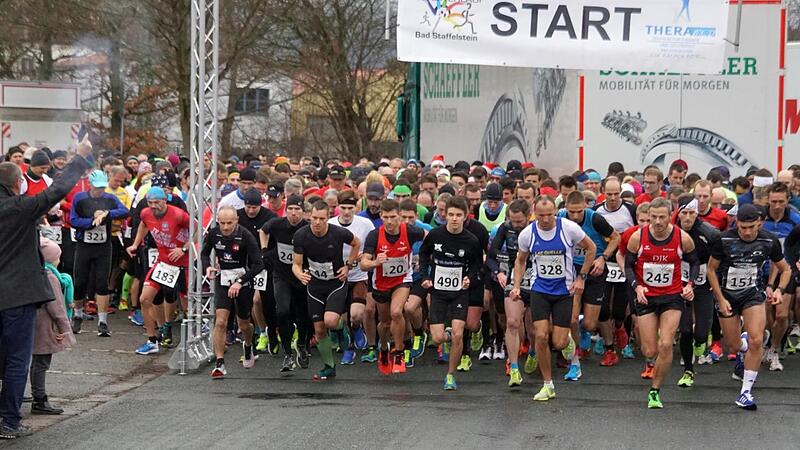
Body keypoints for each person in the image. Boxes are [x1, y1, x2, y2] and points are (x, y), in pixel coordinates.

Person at [0, 137, 92, 439]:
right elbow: (57, 190)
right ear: (17, 185)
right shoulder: (19, 207)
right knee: (16, 360)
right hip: (17, 296)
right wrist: (79, 157)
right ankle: (9, 421)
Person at [510, 195, 595, 400]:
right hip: (539, 290)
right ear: (534, 213)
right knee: (540, 335)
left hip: (564, 292)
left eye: (549, 215)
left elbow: (591, 248)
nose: (546, 219)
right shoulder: (528, 233)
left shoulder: (568, 228)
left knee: (558, 342)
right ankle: (548, 384)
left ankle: (568, 342)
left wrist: (581, 277)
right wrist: (516, 286)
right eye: (541, 215)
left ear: (555, 212)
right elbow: (520, 261)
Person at [707, 204, 791, 410]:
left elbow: (785, 269)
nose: (746, 231)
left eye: (751, 227)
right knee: (734, 346)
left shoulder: (768, 240)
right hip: (727, 296)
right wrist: (720, 298)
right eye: (742, 227)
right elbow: (710, 270)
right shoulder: (724, 239)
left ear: (759, 223)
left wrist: (778, 289)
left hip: (753, 294)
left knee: (756, 340)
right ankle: (742, 344)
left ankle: (745, 392)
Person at [624, 198, 698, 409]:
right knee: (649, 350)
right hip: (646, 297)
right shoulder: (637, 237)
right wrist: (636, 286)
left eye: (662, 217)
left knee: (665, 344)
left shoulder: (682, 238)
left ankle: (655, 391)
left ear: (670, 216)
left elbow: (694, 262)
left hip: (672, 296)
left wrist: (689, 285)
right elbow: (628, 266)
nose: (657, 221)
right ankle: (654, 359)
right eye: (653, 217)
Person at [292, 201, 361, 381]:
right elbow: (296, 264)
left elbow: (356, 243)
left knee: (330, 321)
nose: (317, 222)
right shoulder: (301, 235)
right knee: (320, 330)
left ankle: (340, 328)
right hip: (315, 285)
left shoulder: (338, 233)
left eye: (321, 219)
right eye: (314, 218)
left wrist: (349, 266)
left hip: (335, 283)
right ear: (310, 217)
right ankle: (329, 367)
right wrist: (300, 275)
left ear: (328, 218)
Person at [418, 196, 482, 390]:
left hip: (459, 293)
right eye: (451, 214)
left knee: (458, 334)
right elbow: (423, 254)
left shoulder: (471, 240)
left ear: (465, 216)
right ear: (445, 215)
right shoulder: (435, 235)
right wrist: (424, 276)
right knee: (437, 338)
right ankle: (446, 335)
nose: (454, 219)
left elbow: (477, 265)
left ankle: (450, 375)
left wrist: (469, 277)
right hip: (438, 292)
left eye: (458, 215)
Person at [361, 199, 426, 373]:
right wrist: (375, 262)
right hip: (381, 284)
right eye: (386, 217)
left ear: (399, 216)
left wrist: (427, 259)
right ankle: (383, 348)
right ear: (381, 216)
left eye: (393, 217)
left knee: (397, 312)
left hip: (402, 280)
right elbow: (363, 264)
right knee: (384, 323)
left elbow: (430, 238)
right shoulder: (375, 235)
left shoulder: (410, 231)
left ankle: (399, 352)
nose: (389, 221)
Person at [558, 191, 620, 370]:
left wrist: (604, 257)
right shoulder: (561, 218)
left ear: (585, 206)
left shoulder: (595, 219)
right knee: (571, 319)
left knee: (590, 324)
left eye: (579, 211)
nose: (575, 216)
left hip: (595, 269)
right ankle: (573, 353)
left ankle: (608, 348)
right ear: (566, 208)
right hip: (573, 270)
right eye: (572, 212)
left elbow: (616, 237)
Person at [126, 187, 190, 356]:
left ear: (165, 200)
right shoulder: (146, 213)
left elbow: (198, 233)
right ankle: (152, 340)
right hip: (163, 262)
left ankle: (194, 340)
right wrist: (135, 243)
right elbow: (143, 225)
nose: (154, 206)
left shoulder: (178, 214)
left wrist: (183, 249)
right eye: (150, 203)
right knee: (145, 299)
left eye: (157, 203)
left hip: (183, 264)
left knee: (186, 305)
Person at [203, 206, 264, 378]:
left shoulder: (246, 236)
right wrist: (208, 266)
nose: (225, 227)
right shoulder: (214, 234)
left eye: (229, 223)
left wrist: (240, 281)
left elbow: (259, 265)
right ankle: (220, 363)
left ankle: (248, 344)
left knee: (244, 323)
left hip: (243, 281)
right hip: (224, 280)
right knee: (220, 322)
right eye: (222, 223)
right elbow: (204, 253)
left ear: (236, 220)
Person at [69, 170, 130, 336]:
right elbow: (73, 220)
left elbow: (125, 211)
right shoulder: (80, 198)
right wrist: (91, 221)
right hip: (84, 245)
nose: (100, 191)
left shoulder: (109, 199)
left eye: (102, 188)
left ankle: (102, 322)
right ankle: (78, 316)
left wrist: (107, 214)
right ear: (90, 185)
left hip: (104, 246)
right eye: (97, 188)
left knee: (102, 282)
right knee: (80, 281)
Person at [260, 194, 313, 372]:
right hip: (281, 274)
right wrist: (264, 250)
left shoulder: (308, 228)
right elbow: (263, 230)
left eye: (297, 209)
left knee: (303, 314)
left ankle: (303, 345)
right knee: (282, 311)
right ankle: (288, 354)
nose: (293, 213)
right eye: (290, 209)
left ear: (303, 212)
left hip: (302, 276)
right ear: (285, 210)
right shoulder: (277, 224)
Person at [486, 199, 535, 386]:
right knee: (513, 322)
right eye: (512, 221)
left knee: (533, 329)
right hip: (513, 275)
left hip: (535, 276)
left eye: (519, 221)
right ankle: (514, 367)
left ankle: (532, 351)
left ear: (528, 216)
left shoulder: (537, 229)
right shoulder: (505, 228)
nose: (515, 225)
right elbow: (492, 255)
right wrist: (499, 271)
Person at [673, 197, 721, 387]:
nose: (687, 217)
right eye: (684, 213)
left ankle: (702, 341)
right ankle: (688, 371)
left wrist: (714, 279)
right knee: (685, 329)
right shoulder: (671, 230)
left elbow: (720, 259)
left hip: (702, 280)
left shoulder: (709, 233)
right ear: (678, 213)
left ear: (697, 213)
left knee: (701, 330)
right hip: (679, 282)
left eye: (691, 213)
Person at [30, 237, 76, 415]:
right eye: (57, 257)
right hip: (45, 325)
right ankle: (39, 398)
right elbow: (56, 307)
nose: (59, 260)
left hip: (33, 321)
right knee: (41, 362)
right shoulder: (51, 277)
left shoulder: (36, 273)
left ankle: (31, 395)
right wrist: (65, 329)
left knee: (32, 361)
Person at [328, 191, 374, 365]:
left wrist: (366, 255)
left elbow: (373, 244)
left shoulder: (365, 224)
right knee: (343, 318)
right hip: (338, 277)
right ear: (337, 207)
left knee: (356, 315)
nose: (347, 212)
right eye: (343, 208)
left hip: (358, 276)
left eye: (350, 208)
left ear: (356, 207)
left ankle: (357, 329)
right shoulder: (330, 224)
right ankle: (349, 348)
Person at [236, 188, 277, 353]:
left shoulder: (270, 217)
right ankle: (262, 332)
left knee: (265, 301)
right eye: (248, 207)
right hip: (245, 265)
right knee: (252, 301)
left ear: (261, 205)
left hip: (266, 265)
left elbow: (278, 242)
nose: (251, 210)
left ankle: (271, 332)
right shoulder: (237, 216)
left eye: (255, 207)